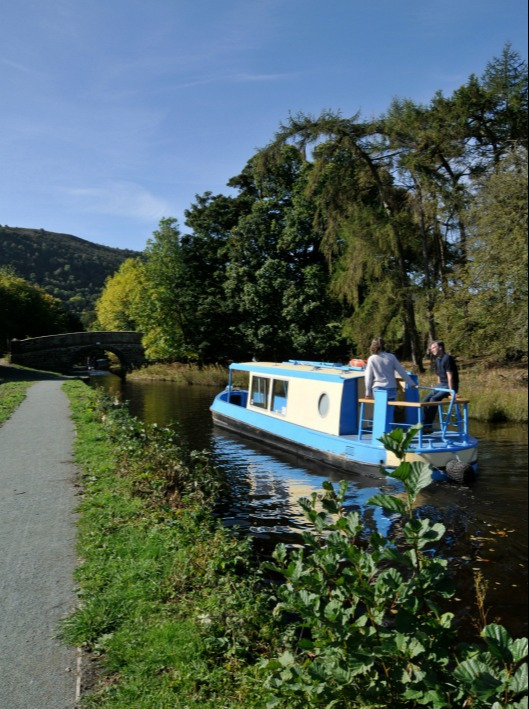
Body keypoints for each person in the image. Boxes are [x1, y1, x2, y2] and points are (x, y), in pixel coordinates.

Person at [422, 340, 459, 430]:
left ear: (440, 348)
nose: (432, 350)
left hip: (449, 385)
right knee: (425, 400)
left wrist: (451, 391)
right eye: (431, 349)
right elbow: (439, 375)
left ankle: (428, 426)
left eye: (434, 348)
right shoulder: (437, 360)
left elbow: (450, 376)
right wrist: (437, 387)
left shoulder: (448, 358)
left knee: (434, 399)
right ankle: (424, 424)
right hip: (441, 385)